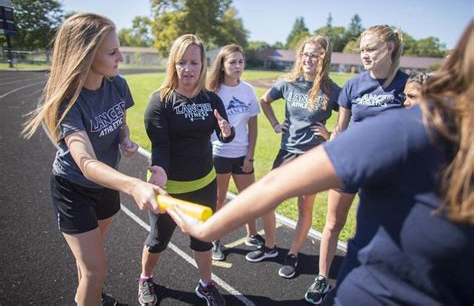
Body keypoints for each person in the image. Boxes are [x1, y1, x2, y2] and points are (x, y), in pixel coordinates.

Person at [168, 20, 474, 306]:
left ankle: (296, 257)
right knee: (332, 224)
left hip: (369, 291)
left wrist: (206, 230)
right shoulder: (404, 128)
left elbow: (275, 186)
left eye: (370, 49)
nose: (408, 102)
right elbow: (286, 170)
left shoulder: (405, 129)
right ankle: (312, 270)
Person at [22, 13, 164, 306]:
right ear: (86, 55)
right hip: (73, 188)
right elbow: (85, 163)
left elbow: (120, 121)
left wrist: (124, 138)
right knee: (96, 269)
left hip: (105, 184)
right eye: (113, 52)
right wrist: (133, 185)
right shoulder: (69, 101)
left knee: (91, 263)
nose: (121, 57)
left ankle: (89, 291)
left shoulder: (117, 85)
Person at [303, 25, 409, 304]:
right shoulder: (353, 85)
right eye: (362, 49)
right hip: (351, 166)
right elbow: (341, 128)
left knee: (382, 228)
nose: (364, 54)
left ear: (389, 48)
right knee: (333, 223)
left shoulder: (405, 85)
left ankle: (380, 280)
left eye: (370, 49)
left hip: (385, 173)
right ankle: (323, 277)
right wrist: (332, 147)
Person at [139, 34, 233, 306]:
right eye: (182, 62)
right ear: (173, 64)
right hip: (170, 187)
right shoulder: (160, 101)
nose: (188, 69)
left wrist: (228, 132)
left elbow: (223, 133)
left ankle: (206, 285)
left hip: (205, 182)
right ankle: (146, 278)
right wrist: (159, 174)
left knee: (204, 239)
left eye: (194, 62)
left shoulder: (212, 99)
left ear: (203, 64)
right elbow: (161, 145)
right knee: (158, 240)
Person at [253, 35, 341, 279]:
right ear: (300, 56)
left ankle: (293, 254)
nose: (309, 59)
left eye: (315, 55)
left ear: (324, 58)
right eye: (305, 54)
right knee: (266, 199)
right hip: (288, 151)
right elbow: (265, 100)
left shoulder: (331, 89)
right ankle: (270, 247)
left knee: (305, 206)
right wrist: (274, 123)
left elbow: (352, 111)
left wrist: (331, 133)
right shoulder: (287, 83)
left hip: (313, 156)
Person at [207, 44, 266, 261]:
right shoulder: (213, 91)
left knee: (249, 198)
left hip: (242, 154)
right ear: (222, 65)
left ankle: (252, 235)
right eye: (232, 61)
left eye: (240, 61)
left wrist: (250, 155)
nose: (237, 65)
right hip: (219, 154)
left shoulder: (248, 90)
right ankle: (214, 240)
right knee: (218, 200)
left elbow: (253, 126)